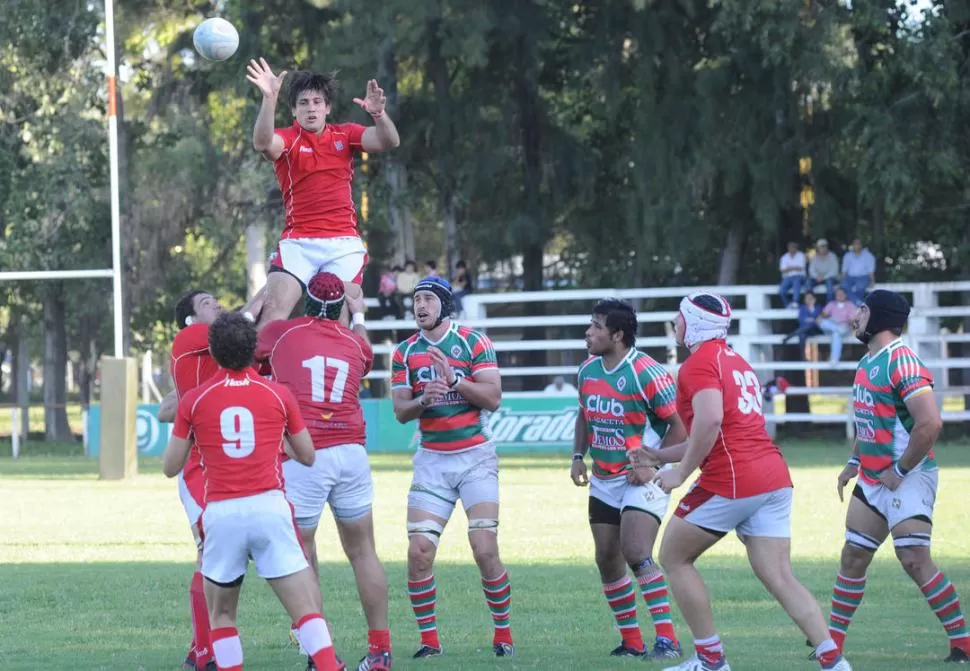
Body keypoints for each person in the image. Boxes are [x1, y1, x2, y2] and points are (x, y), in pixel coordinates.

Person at [652, 292, 851, 671]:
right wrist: (660, 456)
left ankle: (711, 659)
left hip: (734, 475)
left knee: (674, 557)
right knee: (779, 575)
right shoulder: (736, 361)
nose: (675, 324)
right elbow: (723, 430)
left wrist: (680, 474)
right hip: (772, 474)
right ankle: (833, 661)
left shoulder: (698, 364)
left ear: (694, 323)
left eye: (680, 318)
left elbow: (710, 423)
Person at [161, 312, 344, 671]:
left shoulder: (194, 401)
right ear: (253, 350)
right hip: (269, 508)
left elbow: (171, 467)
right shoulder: (277, 393)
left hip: (222, 514)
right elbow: (306, 455)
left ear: (212, 351)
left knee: (223, 616)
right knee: (305, 610)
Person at [818, 289, 970, 663]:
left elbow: (930, 424)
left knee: (914, 558)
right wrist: (854, 463)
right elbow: (871, 421)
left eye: (863, 311)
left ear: (881, 318)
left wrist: (899, 470)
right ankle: (831, 646)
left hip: (909, 475)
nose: (855, 317)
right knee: (853, 555)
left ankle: (963, 643)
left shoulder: (902, 361)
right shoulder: (867, 362)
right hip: (873, 478)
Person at [256, 272, 392, 671]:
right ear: (340, 309)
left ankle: (321, 652)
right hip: (350, 451)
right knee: (364, 552)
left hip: (304, 453)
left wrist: (272, 296)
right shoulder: (354, 342)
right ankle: (380, 651)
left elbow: (252, 344)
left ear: (308, 303)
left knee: (300, 555)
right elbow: (364, 351)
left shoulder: (282, 333)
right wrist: (360, 312)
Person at [390, 277, 513, 658]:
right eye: (416, 300)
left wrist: (456, 380)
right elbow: (400, 412)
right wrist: (423, 400)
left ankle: (503, 635)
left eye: (427, 299)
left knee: (483, 547)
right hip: (432, 462)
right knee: (419, 551)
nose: (420, 306)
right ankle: (429, 644)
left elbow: (493, 398)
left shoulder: (475, 342)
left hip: (476, 458)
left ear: (444, 304)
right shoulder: (404, 352)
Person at [570, 299, 687, 660]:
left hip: (642, 480)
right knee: (607, 558)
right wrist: (578, 456)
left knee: (636, 550)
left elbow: (681, 430)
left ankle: (668, 640)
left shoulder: (646, 372)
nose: (588, 333)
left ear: (618, 335)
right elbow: (584, 414)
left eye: (596, 327)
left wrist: (651, 463)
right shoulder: (588, 370)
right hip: (604, 479)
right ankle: (632, 641)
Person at [244, 59, 400, 328]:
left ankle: (337, 369)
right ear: (294, 110)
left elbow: (389, 141)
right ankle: (260, 372)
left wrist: (378, 114)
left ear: (327, 108)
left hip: (342, 244)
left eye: (317, 102)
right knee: (271, 314)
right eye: (303, 103)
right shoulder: (288, 138)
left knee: (335, 319)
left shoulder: (345, 134)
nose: (311, 108)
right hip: (299, 242)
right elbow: (262, 143)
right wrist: (269, 98)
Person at [159, 289, 226, 671]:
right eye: (206, 302)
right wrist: (275, 284)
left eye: (216, 299)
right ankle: (203, 652)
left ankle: (202, 647)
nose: (216, 303)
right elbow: (168, 410)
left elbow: (168, 406)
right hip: (199, 467)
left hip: (233, 468)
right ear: (189, 321)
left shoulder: (216, 358)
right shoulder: (189, 340)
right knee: (211, 557)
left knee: (226, 562)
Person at [818, 287, 858, 363]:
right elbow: (823, 314)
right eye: (838, 294)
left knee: (836, 334)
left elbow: (853, 321)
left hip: (845, 328)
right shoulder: (831, 304)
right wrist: (820, 318)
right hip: (833, 327)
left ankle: (834, 359)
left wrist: (849, 324)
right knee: (822, 322)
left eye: (841, 294)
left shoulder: (850, 305)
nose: (839, 295)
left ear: (845, 295)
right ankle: (838, 329)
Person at [781, 292, 823, 357]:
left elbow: (818, 319)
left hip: (815, 330)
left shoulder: (818, 307)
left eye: (810, 298)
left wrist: (810, 318)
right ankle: (802, 356)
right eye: (807, 298)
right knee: (802, 335)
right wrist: (812, 319)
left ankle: (790, 335)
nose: (808, 300)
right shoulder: (802, 308)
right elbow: (801, 320)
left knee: (810, 325)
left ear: (814, 299)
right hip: (805, 330)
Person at [840, 239, 876, 304]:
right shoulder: (847, 256)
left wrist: (872, 281)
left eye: (858, 244)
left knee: (860, 286)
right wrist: (841, 281)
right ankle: (858, 303)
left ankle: (853, 304)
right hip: (850, 277)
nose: (856, 246)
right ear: (852, 245)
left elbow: (871, 271)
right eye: (854, 244)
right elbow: (844, 270)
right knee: (843, 285)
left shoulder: (868, 256)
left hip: (863, 277)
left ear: (861, 245)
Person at [808, 238, 839, 303]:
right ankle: (811, 303)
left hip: (829, 278)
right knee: (808, 283)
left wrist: (823, 277)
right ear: (818, 248)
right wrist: (817, 277)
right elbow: (811, 270)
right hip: (817, 278)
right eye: (821, 246)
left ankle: (829, 305)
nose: (823, 248)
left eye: (825, 246)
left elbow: (834, 271)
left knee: (830, 285)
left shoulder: (832, 256)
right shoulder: (814, 257)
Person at [779, 241, 807, 308]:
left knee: (796, 282)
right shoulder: (784, 257)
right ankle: (787, 304)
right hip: (788, 277)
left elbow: (801, 268)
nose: (792, 249)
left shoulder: (801, 255)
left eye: (794, 247)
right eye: (790, 247)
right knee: (781, 290)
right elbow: (782, 270)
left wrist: (789, 268)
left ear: (796, 248)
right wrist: (794, 267)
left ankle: (795, 302)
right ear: (788, 248)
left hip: (800, 276)